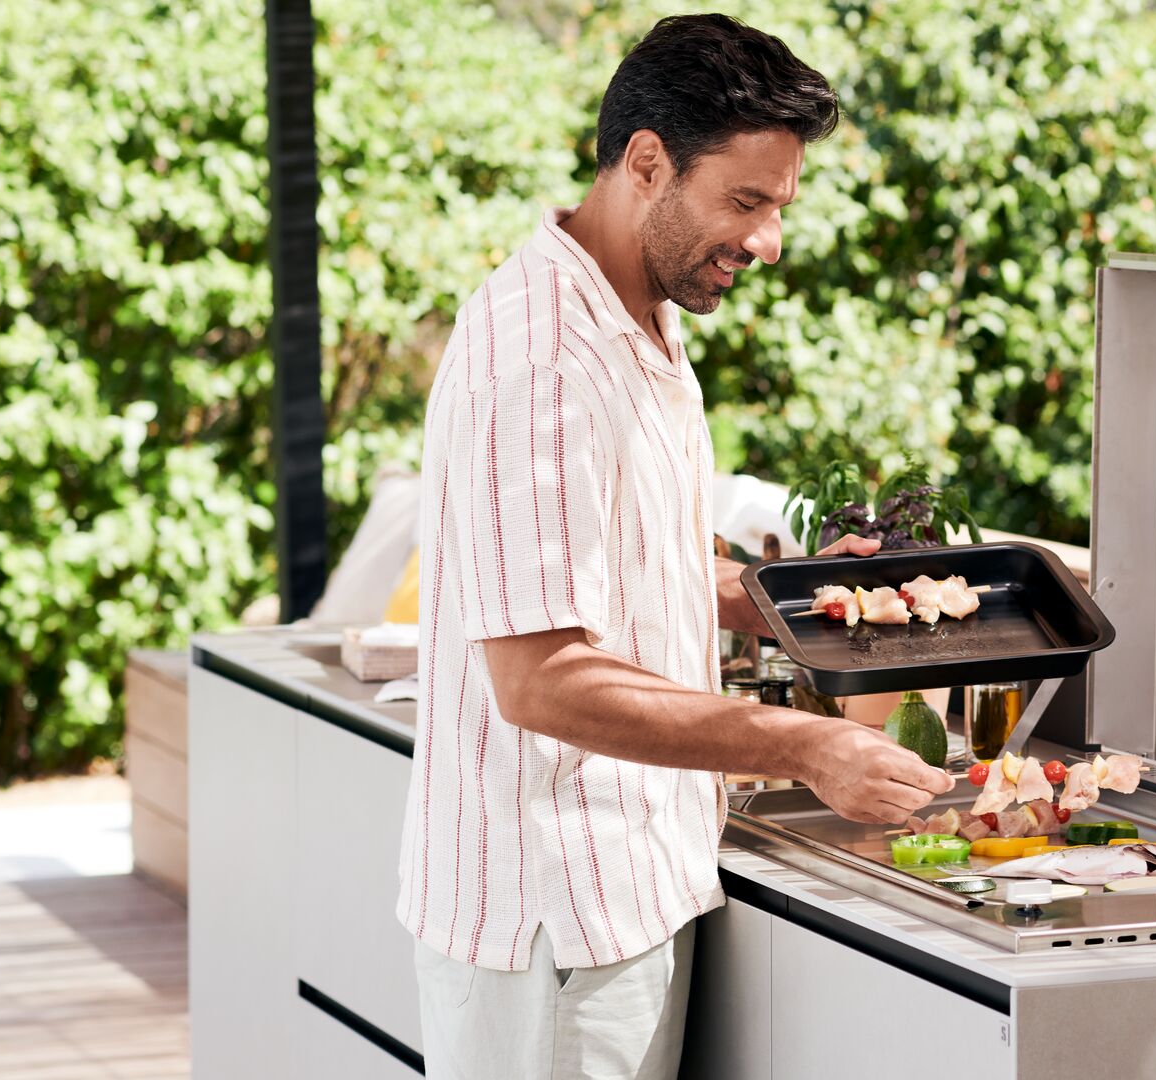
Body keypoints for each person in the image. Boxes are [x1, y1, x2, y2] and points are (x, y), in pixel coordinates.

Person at [397, 15, 954, 1079]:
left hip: (629, 891)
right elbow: (542, 679)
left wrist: (779, 597)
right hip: (555, 920)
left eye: (779, 207)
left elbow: (624, 569)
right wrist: (805, 745)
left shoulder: (635, 313)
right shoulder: (543, 361)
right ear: (646, 163)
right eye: (744, 203)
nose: (766, 243)